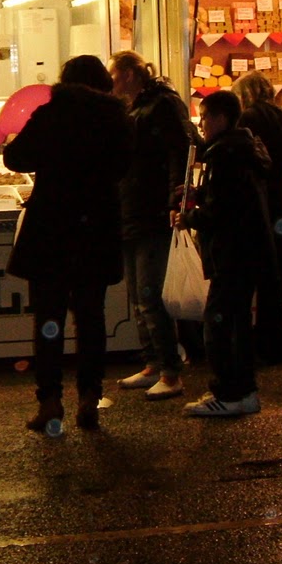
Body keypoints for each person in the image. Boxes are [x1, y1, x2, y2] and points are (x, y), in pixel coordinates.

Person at [4, 55, 133, 434]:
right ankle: (89, 398)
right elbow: (123, 168)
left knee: (49, 320)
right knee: (92, 318)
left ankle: (50, 402)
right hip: (96, 229)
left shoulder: (51, 114)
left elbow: (15, 158)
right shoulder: (116, 120)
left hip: (52, 230)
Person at [178, 90, 275, 417]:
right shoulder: (245, 148)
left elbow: (221, 210)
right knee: (235, 322)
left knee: (221, 322)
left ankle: (229, 392)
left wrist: (188, 216)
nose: (201, 124)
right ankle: (243, 389)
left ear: (220, 117)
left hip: (232, 251)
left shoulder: (225, 154)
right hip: (248, 249)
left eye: (204, 117)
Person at [107, 50, 195, 399]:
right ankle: (153, 363)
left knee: (150, 295)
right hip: (130, 208)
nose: (111, 82)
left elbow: (182, 149)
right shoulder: (133, 107)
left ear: (129, 74)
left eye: (114, 74)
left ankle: (171, 371)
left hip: (152, 210)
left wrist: (177, 199)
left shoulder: (162, 104)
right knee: (137, 294)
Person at [231, 70, 282, 363]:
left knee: (248, 275)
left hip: (257, 204)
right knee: (274, 275)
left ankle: (252, 342)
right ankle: (273, 340)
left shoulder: (249, 118)